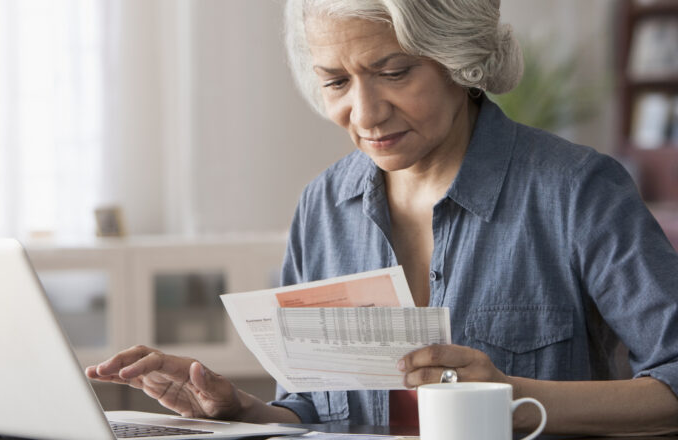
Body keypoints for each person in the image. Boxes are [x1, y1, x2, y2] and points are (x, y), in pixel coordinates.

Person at [86, 0, 678, 435]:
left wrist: (510, 397)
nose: (365, 113)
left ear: (459, 61)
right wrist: (238, 410)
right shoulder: (323, 206)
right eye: (336, 81)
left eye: (395, 72)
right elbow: (312, 410)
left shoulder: (576, 191)